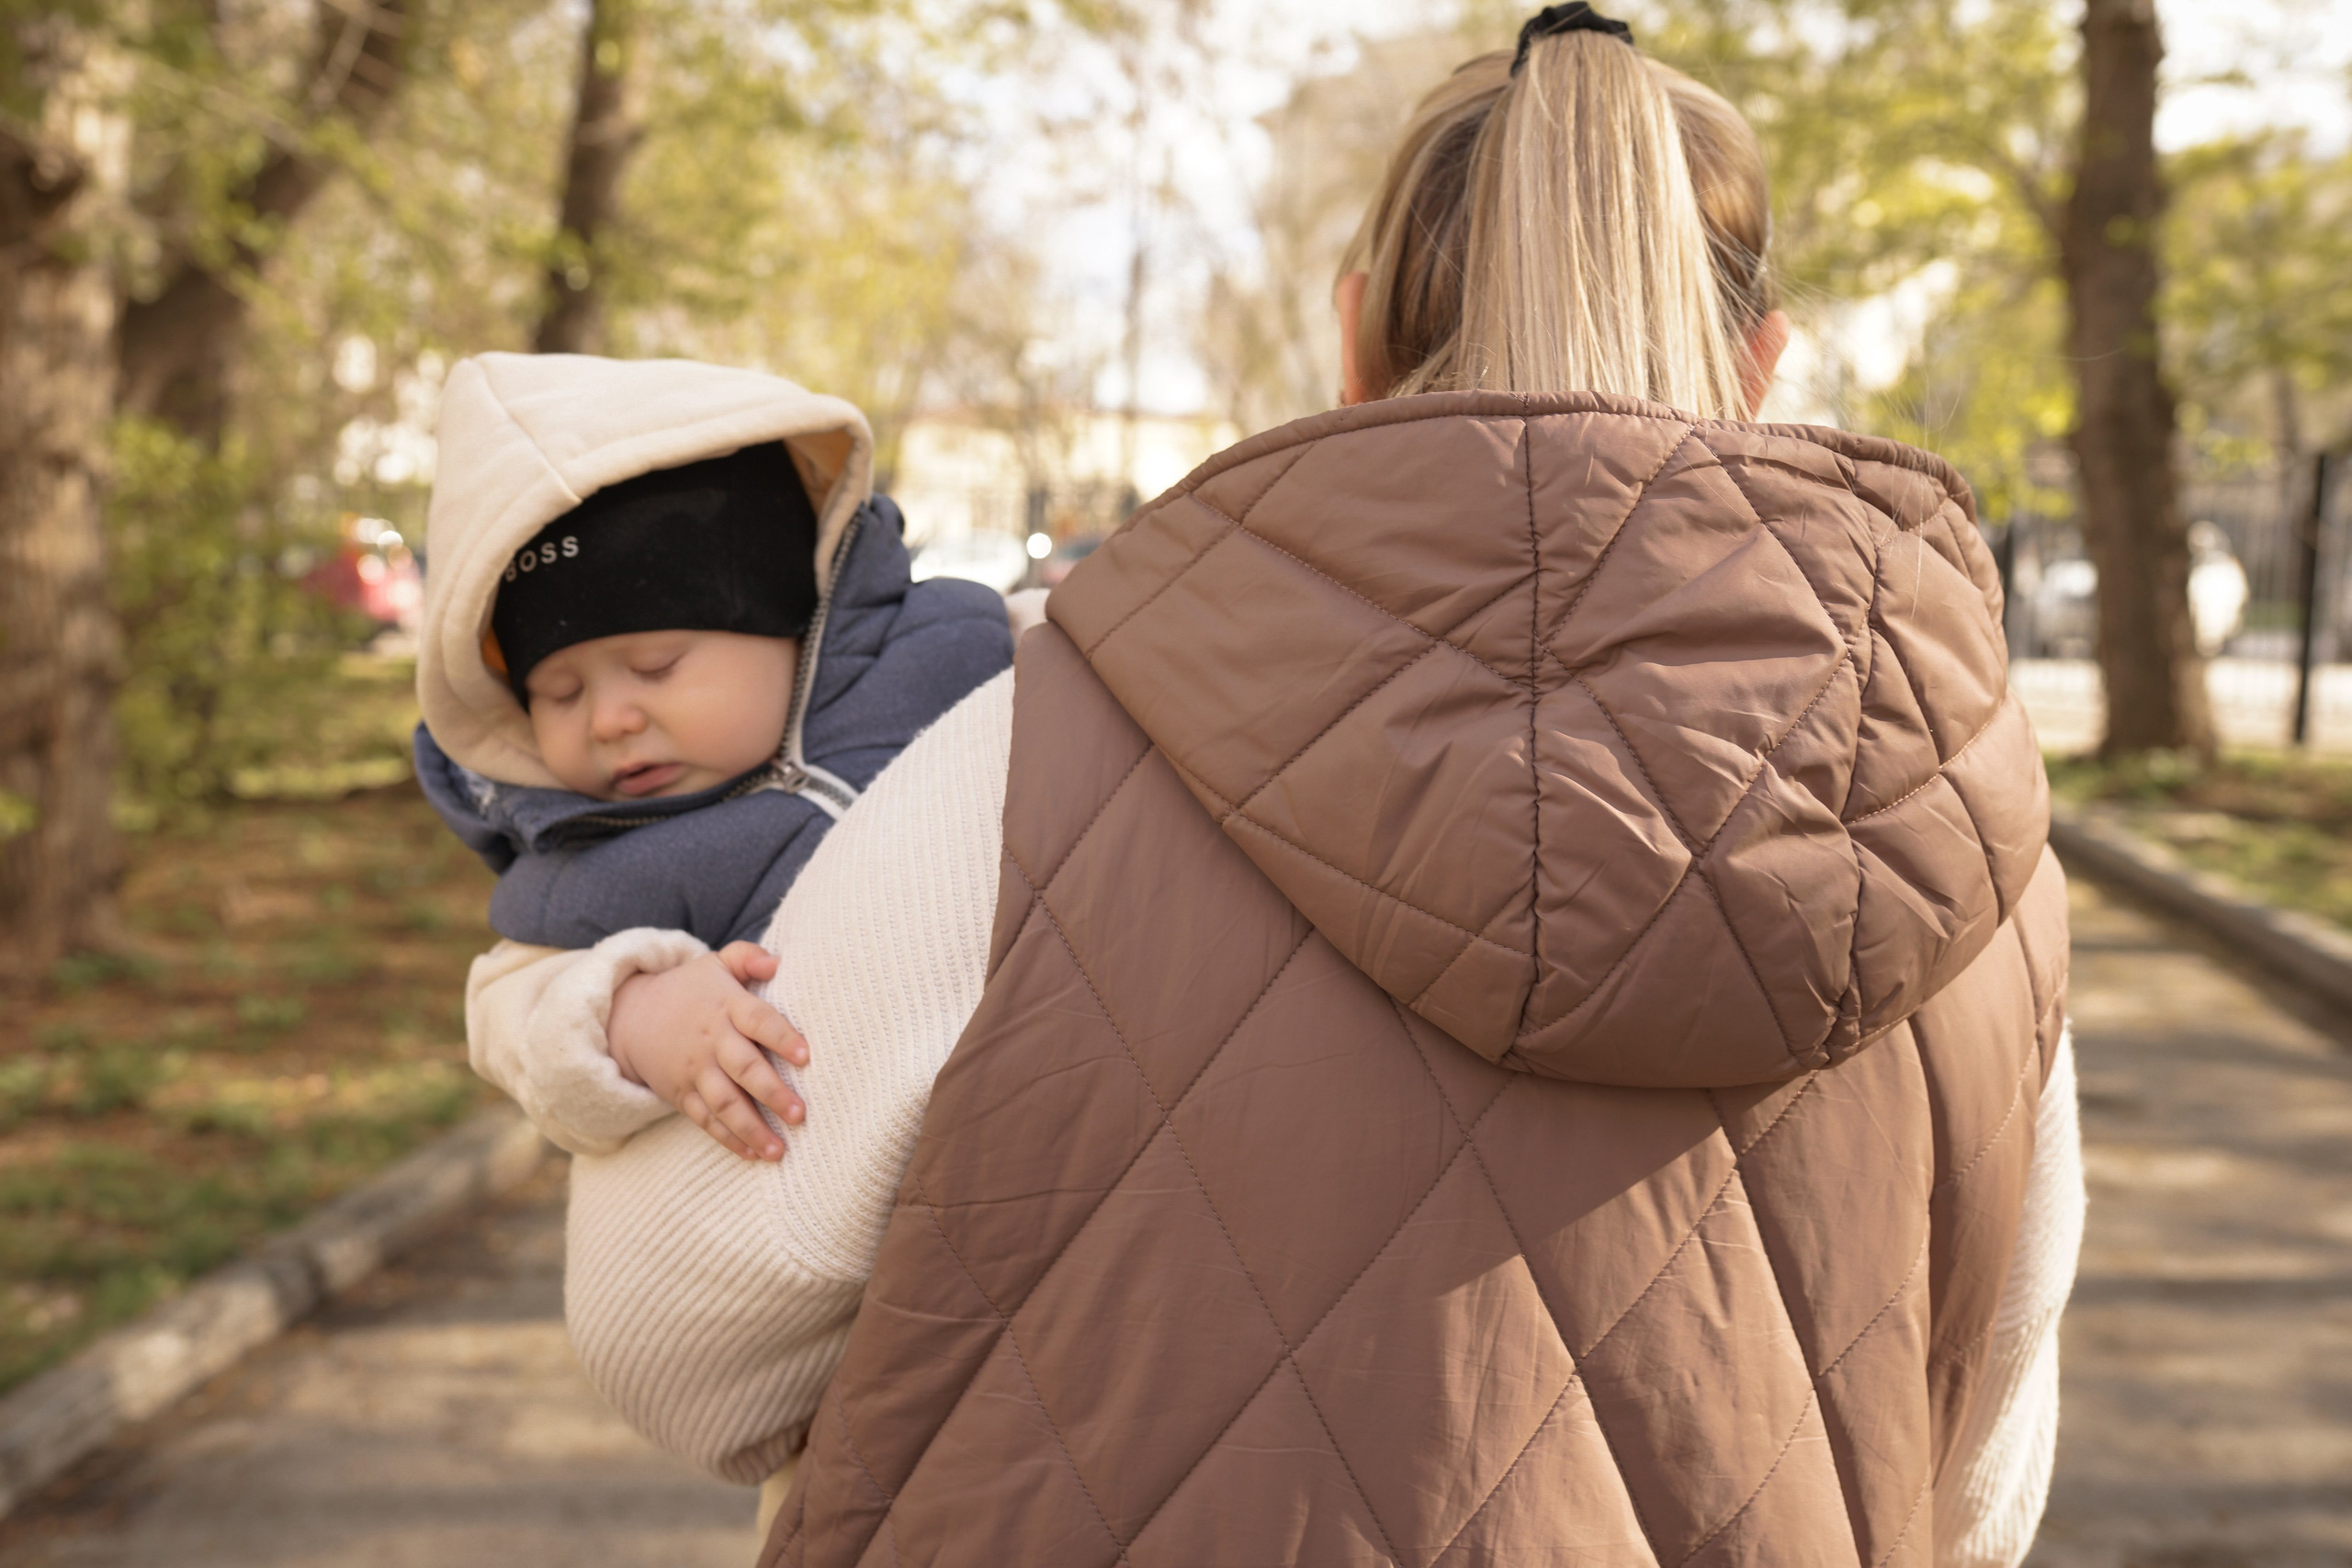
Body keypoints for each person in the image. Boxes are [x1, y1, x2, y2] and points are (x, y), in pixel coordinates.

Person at [542, 9, 2083, 1564]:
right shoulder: (1964, 847)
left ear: (1351, 340)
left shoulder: (1027, 755)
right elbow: (1977, 1477)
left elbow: (667, 1327)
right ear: (1763, 366)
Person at [411, 352, 1013, 1163]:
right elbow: (506, 1008)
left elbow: (1106, 660)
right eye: (558, 693)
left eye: (656, 666)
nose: (611, 719)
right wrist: (633, 1012)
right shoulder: (585, 868)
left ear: (792, 624)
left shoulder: (947, 656)